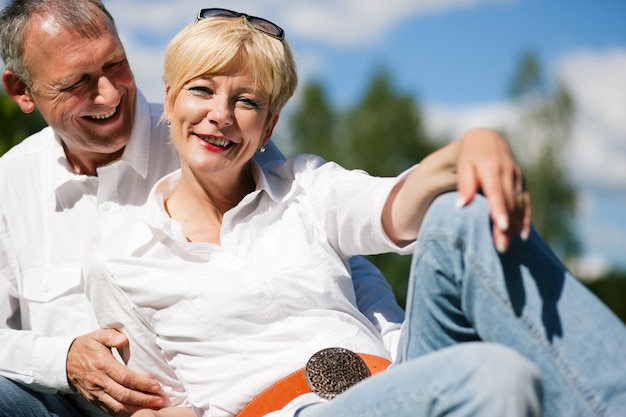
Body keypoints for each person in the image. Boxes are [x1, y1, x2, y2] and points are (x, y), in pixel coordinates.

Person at [84, 9, 626, 417]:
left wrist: (469, 149)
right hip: (286, 409)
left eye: (247, 102)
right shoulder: (123, 259)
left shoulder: (303, 187)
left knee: (459, 217)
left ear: (268, 126)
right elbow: (157, 403)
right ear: (172, 99)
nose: (220, 116)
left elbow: (394, 207)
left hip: (398, 380)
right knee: (494, 374)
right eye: (202, 91)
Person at [0, 1, 404, 416]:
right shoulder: (9, 185)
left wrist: (395, 359)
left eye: (115, 64)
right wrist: (61, 358)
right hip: (69, 406)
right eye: (76, 83)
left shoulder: (214, 135)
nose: (109, 92)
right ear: (21, 91)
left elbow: (329, 256)